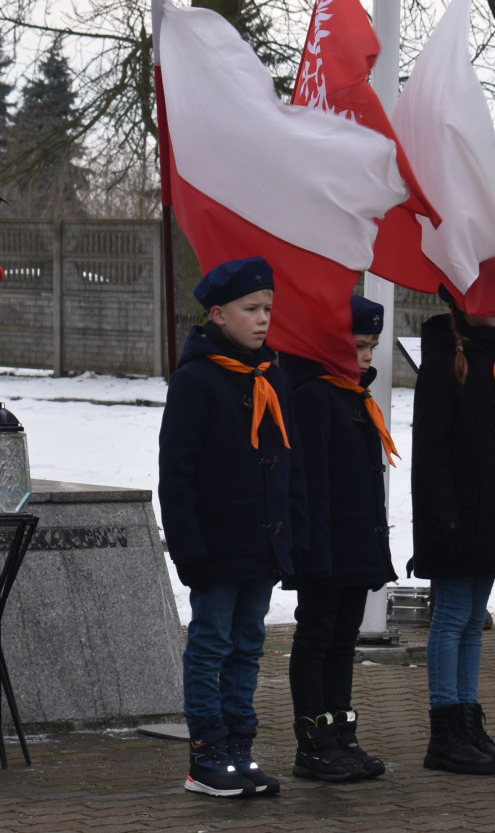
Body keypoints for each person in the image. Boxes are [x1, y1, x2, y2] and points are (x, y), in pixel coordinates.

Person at [158, 256, 307, 798]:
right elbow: (176, 474)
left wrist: (293, 533)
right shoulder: (196, 380)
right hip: (217, 547)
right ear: (219, 314)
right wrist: (189, 549)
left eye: (268, 308)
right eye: (251, 309)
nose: (263, 318)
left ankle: (240, 749)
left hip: (261, 543)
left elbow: (289, 464)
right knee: (211, 643)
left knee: (248, 645)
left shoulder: (273, 376)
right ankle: (207, 754)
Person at [411, 291, 495, 775]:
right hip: (459, 515)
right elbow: (430, 448)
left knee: (472, 619)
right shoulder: (448, 358)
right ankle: (445, 727)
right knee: (451, 616)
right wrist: (440, 520)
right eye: (485, 295)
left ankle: (467, 719)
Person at [282, 295, 399, 783]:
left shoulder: (352, 394)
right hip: (325, 549)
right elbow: (310, 483)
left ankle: (340, 733)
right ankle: (313, 742)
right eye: (360, 347)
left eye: (372, 347)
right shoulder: (314, 396)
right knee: (317, 637)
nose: (369, 358)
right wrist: (316, 553)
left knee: (343, 641)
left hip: (353, 545)